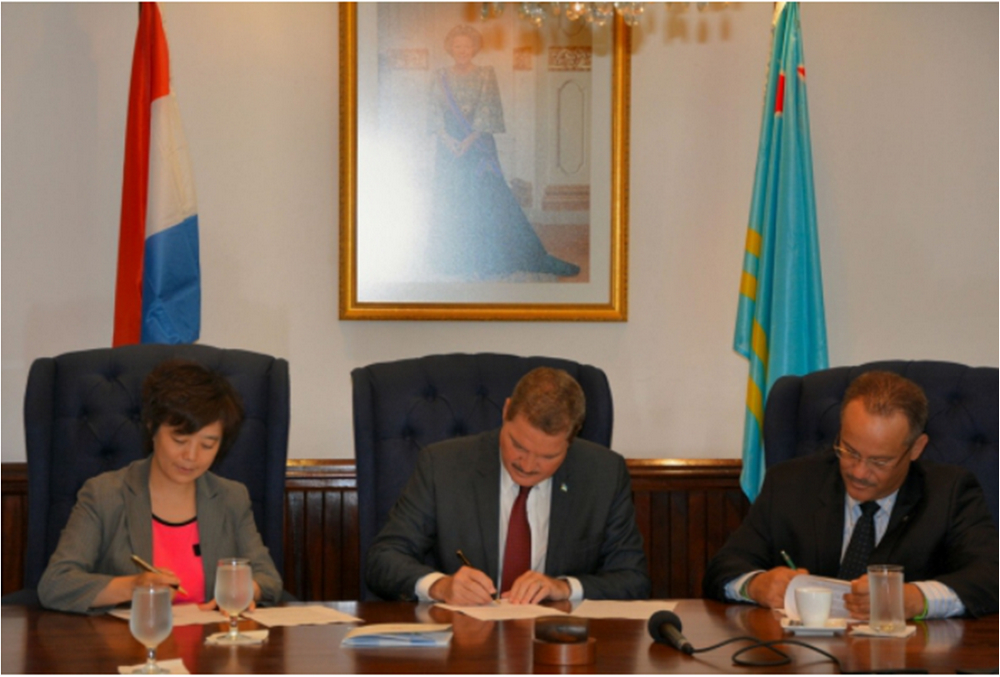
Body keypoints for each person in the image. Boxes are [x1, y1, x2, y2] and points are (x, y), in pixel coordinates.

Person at [703, 371, 998, 619]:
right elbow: (723, 568)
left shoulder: (949, 492)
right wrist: (755, 585)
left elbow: (990, 576)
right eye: (849, 451)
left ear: (916, 448)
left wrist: (914, 599)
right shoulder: (790, 483)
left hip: (906, 658)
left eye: (879, 461)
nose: (858, 471)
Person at [366, 367, 650, 604]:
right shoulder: (443, 466)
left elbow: (632, 579)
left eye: (548, 456)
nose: (527, 464)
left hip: (554, 643)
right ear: (505, 412)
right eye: (518, 445)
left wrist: (564, 587)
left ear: (571, 441)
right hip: (466, 641)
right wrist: (440, 586)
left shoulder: (603, 474)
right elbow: (383, 559)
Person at [38, 359, 283, 613]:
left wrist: (246, 590)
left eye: (207, 445)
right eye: (179, 440)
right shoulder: (104, 494)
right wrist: (133, 586)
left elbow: (269, 579)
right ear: (152, 427)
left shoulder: (231, 497)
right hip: (133, 635)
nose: (191, 456)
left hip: (210, 635)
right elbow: (55, 584)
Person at [426, 24, 581, 279]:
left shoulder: (485, 73)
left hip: (478, 145)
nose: (462, 50)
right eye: (457, 46)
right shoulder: (440, 75)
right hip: (449, 148)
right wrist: (447, 139)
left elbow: (488, 109)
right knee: (453, 199)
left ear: (474, 48)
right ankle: (458, 260)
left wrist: (467, 141)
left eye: (467, 46)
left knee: (490, 200)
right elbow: (433, 109)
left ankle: (508, 256)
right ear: (450, 48)